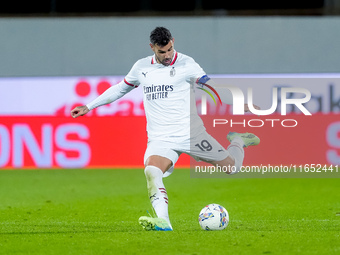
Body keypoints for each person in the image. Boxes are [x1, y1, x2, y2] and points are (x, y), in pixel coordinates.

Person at [71, 27, 260, 231]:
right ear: (152, 47)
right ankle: (163, 222)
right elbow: (120, 89)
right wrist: (89, 106)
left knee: (231, 168)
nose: (168, 55)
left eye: (170, 49)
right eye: (162, 52)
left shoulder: (187, 63)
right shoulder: (141, 67)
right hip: (160, 138)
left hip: (191, 135)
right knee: (152, 171)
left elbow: (212, 87)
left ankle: (239, 140)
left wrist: (239, 102)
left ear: (173, 41)